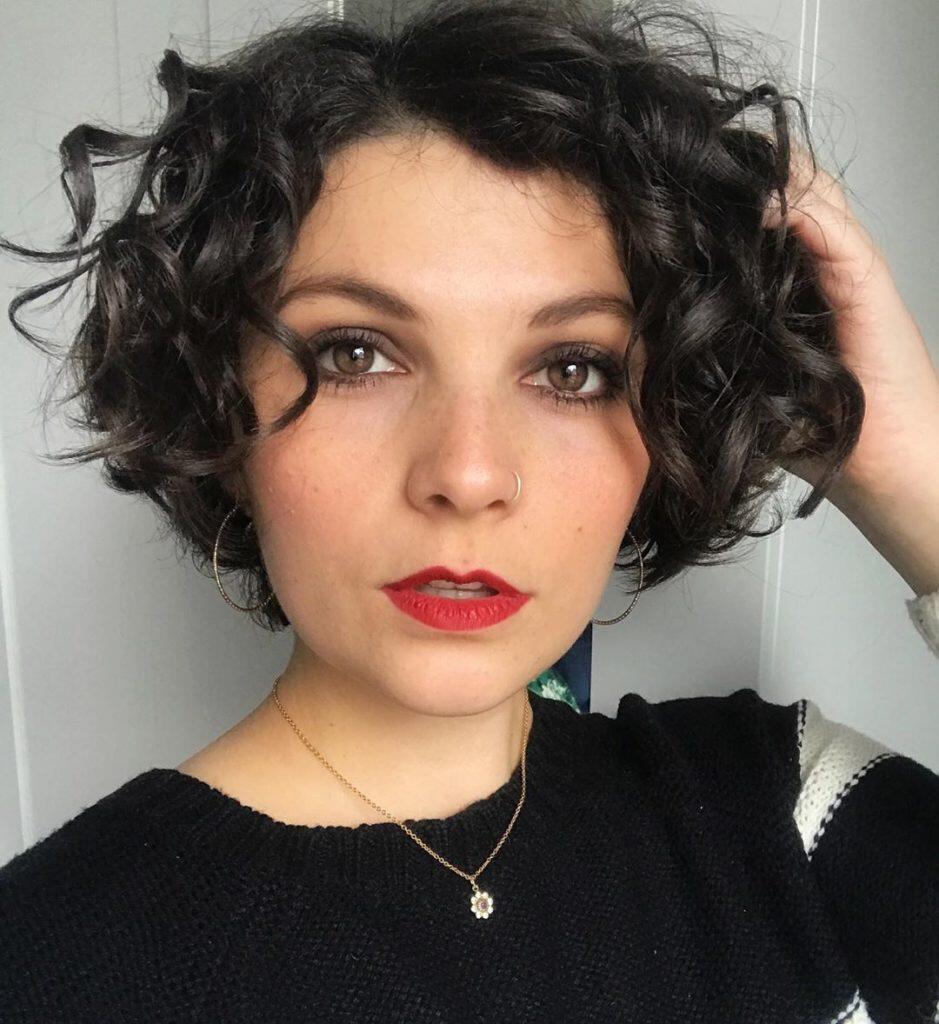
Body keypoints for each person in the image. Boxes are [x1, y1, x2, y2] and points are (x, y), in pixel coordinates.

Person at [1, 0, 937, 1020]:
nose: (470, 472)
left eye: (572, 368)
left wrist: (911, 472)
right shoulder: (45, 959)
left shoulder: (791, 815)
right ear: (220, 408)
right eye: (355, 353)